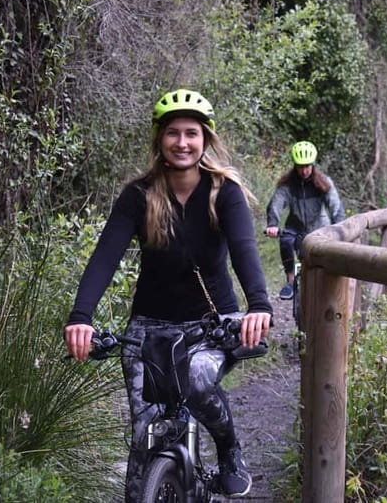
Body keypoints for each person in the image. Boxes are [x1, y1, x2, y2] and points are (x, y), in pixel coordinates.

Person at [63, 88, 272, 500]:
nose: (182, 142)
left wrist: (259, 306)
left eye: (191, 133)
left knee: (197, 380)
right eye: (173, 133)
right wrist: (80, 317)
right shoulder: (138, 195)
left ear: (206, 139)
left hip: (213, 327)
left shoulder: (224, 192)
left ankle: (229, 449)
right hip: (149, 330)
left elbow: (245, 250)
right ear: (159, 139)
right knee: (143, 440)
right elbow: (105, 257)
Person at [265, 141, 345, 300]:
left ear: (313, 165)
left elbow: (335, 206)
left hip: (320, 228)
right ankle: (290, 281)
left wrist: (338, 227)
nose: (304, 171)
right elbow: (276, 203)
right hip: (295, 227)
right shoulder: (288, 184)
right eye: (300, 166)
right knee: (285, 240)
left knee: (322, 263)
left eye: (307, 166)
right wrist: (272, 224)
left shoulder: (323, 182)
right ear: (295, 166)